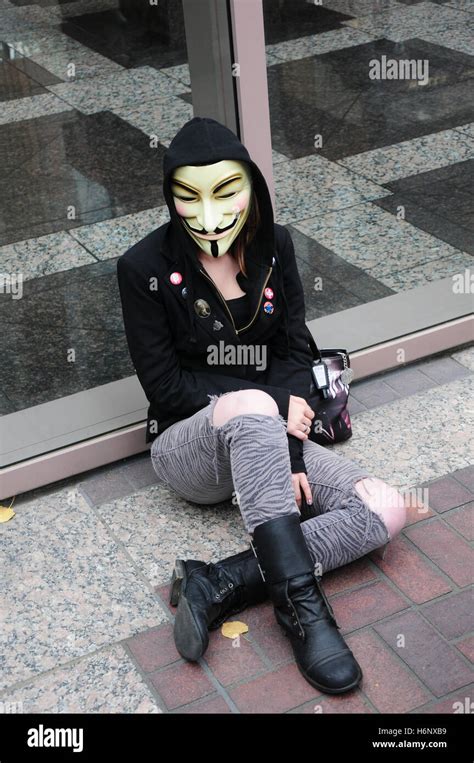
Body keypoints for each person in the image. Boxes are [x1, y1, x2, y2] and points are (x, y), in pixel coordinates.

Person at [116, 116, 407, 695]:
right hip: (190, 448)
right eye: (186, 198)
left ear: (251, 186)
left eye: (225, 192)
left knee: (386, 509)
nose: (206, 214)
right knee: (249, 402)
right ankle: (302, 610)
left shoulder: (275, 246)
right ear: (170, 198)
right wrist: (273, 405)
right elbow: (167, 388)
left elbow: (295, 350)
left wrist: (294, 451)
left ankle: (219, 583)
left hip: (272, 437)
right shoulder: (143, 268)